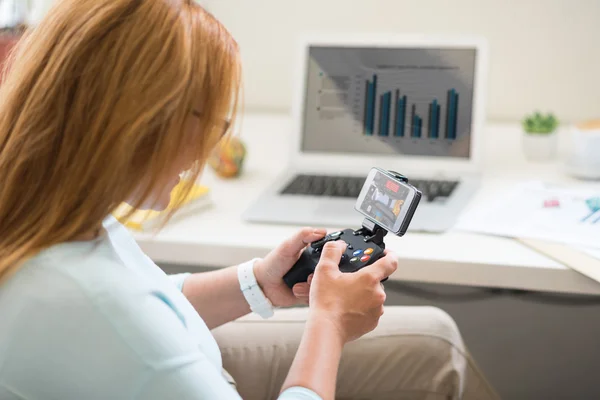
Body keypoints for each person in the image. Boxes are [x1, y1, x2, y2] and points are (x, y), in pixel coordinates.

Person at [0, 1, 500, 399]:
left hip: (177, 357)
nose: (214, 148)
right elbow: (130, 323)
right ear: (139, 122)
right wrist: (328, 323)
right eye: (212, 123)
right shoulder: (104, 318)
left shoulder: (54, 215)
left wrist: (258, 283)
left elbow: (150, 301)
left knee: (436, 339)